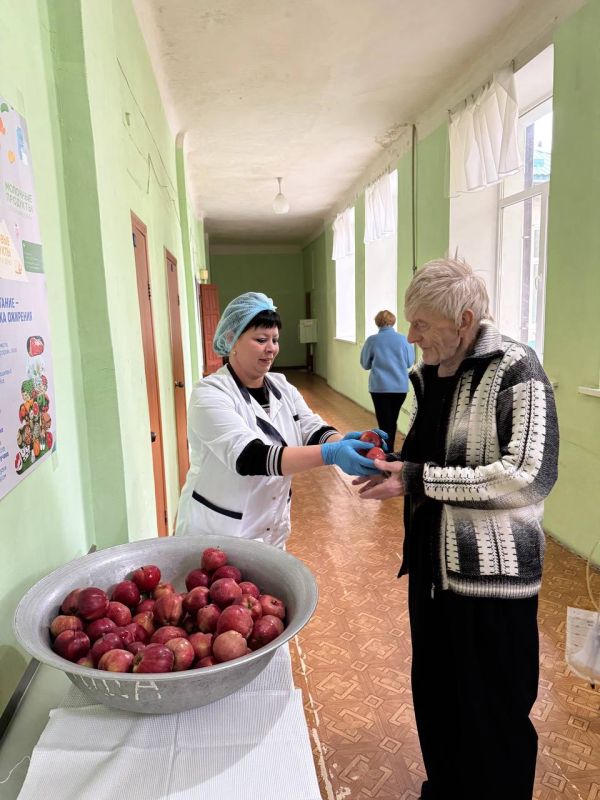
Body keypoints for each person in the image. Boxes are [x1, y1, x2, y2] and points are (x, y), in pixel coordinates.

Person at [354, 259, 559, 800]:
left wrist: (418, 478)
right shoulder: (430, 376)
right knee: (439, 694)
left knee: (494, 707)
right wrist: (392, 466)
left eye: (420, 324)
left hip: (492, 578)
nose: (410, 334)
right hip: (432, 568)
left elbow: (528, 477)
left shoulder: (518, 369)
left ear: (463, 318)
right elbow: (435, 462)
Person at [176, 291, 380, 547]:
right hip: (218, 531)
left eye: (275, 339)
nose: (271, 348)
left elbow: (311, 427)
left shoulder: (281, 386)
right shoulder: (209, 394)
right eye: (261, 339)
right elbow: (251, 457)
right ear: (231, 341)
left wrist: (346, 442)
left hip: (269, 526)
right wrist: (331, 453)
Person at [360, 310, 414, 451]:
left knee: (384, 422)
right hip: (400, 388)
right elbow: (409, 363)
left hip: (379, 388)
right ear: (393, 321)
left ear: (377, 322)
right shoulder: (404, 339)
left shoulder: (372, 340)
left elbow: (365, 364)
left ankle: (387, 453)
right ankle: (389, 452)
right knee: (392, 421)